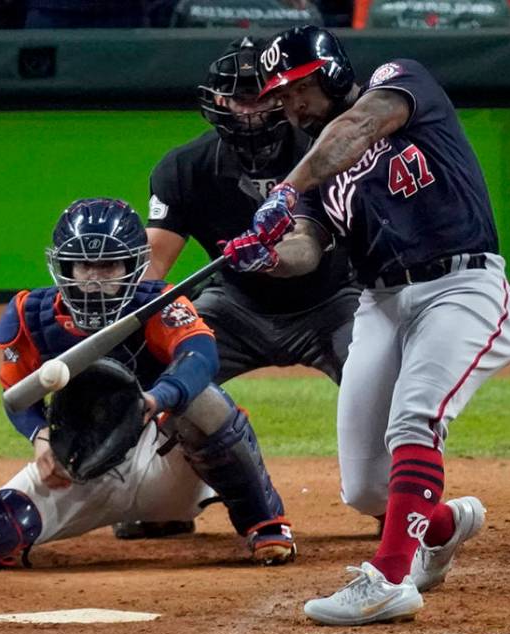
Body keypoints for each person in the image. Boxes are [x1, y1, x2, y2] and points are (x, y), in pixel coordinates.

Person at [223, 26, 510, 625]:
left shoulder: (399, 83)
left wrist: (284, 189)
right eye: (280, 98)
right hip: (381, 302)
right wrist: (268, 260)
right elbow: (308, 249)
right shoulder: (317, 174)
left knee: (415, 419)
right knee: (365, 488)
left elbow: (356, 129)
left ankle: (387, 581)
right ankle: (442, 527)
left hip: (460, 285)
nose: (290, 107)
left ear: (332, 73)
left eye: (296, 90)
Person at [0, 198, 296, 569]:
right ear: (63, 266)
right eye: (83, 265)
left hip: (168, 458)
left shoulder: (159, 304)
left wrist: (155, 398)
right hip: (82, 464)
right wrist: (39, 438)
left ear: (133, 266)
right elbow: (17, 395)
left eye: (107, 265)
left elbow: (200, 358)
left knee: (204, 402)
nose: (93, 277)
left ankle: (263, 523)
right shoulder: (32, 315)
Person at [115, 36, 360, 540]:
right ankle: (169, 499)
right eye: (240, 98)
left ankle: (393, 496)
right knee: (161, 372)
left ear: (285, 96)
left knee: (378, 382)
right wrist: (124, 341)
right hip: (235, 307)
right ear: (218, 102)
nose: (253, 111)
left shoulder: (324, 149)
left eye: (265, 96)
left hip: (334, 302)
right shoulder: (183, 168)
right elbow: (152, 269)